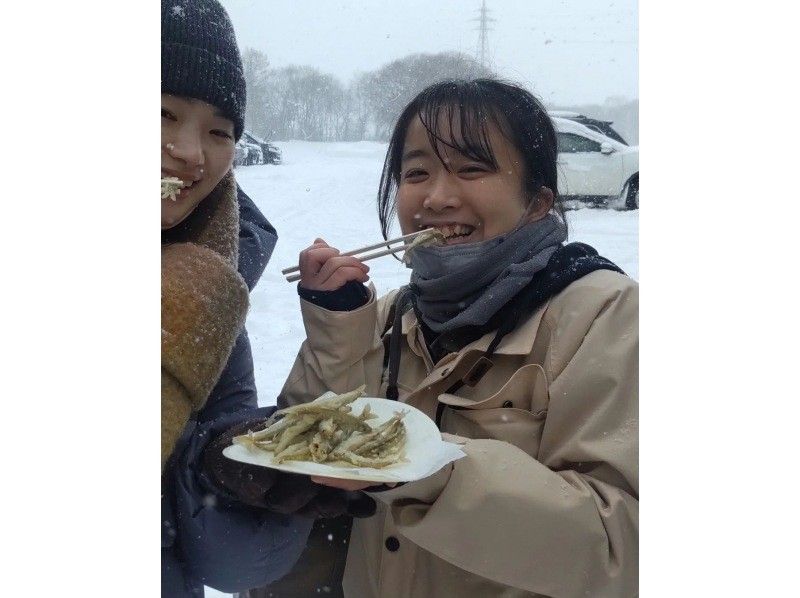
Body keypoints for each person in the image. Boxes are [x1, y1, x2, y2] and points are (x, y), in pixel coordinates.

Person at [244, 79, 638, 597]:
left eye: (472, 168)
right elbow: (304, 453)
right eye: (416, 173)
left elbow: (621, 546)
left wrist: (425, 470)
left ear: (539, 201)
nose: (437, 196)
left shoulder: (605, 315)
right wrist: (338, 326)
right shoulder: (390, 316)